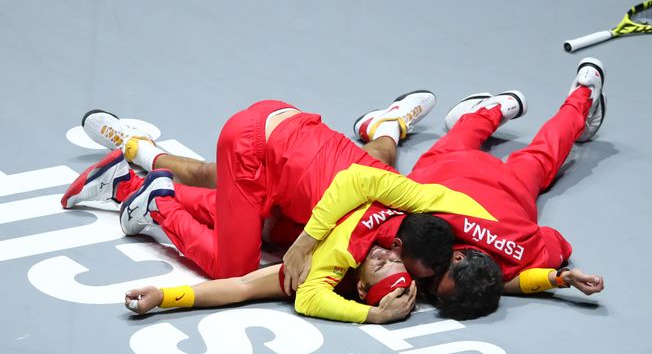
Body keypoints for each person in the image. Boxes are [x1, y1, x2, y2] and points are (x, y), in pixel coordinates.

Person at [61, 92, 458, 323]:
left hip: (286, 131)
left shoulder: (396, 211)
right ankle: (154, 199)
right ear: (403, 248)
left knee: (252, 208)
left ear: (360, 286)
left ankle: (137, 151)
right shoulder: (365, 239)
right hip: (257, 143)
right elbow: (240, 281)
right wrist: (305, 245)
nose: (386, 254)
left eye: (384, 265)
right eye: (393, 257)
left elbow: (248, 292)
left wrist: (166, 297)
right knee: (237, 257)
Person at [282, 58, 607, 320]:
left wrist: (558, 278)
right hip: (467, 178)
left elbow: (550, 248)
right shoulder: (431, 229)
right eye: (437, 281)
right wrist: (549, 276)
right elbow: (521, 272)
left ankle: (527, 101)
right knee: (534, 153)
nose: (427, 282)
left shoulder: (526, 252)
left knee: (521, 150)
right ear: (459, 254)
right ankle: (574, 95)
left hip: (477, 178)